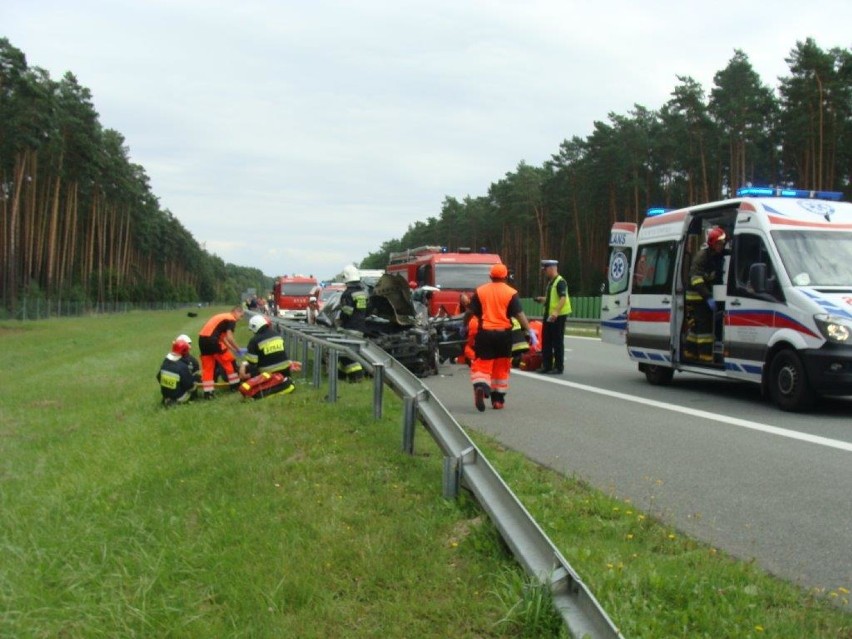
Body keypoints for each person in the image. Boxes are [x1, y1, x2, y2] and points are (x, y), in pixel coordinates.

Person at [464, 263, 537, 411]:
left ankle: (481, 387)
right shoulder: (510, 292)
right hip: (504, 334)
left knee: (482, 365)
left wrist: (464, 325)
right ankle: (498, 400)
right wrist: (529, 331)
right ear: (505, 277)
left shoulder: (480, 291)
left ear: (490, 276)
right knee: (501, 367)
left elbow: (469, 312)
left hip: (485, 333)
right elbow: (519, 314)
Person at [685, 226, 726, 363]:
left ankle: (690, 353)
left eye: (723, 243)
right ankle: (705, 356)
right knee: (705, 329)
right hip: (697, 298)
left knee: (696, 329)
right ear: (713, 243)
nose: (722, 245)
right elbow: (696, 280)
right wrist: (708, 297)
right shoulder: (701, 256)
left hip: (703, 297)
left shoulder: (714, 255)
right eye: (719, 243)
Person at [534, 259, 572, 375]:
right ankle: (547, 365)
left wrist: (556, 312)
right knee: (546, 341)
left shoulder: (560, 282)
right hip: (549, 316)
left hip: (558, 316)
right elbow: (552, 299)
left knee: (557, 341)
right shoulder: (551, 282)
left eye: (545, 269)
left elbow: (563, 298)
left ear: (551, 268)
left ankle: (558, 367)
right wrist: (542, 299)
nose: (545, 272)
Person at [198, 306, 244, 398]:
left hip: (202, 340)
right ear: (236, 312)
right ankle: (235, 386)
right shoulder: (231, 319)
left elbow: (223, 338)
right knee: (230, 361)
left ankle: (208, 393)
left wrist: (232, 348)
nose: (240, 319)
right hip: (213, 341)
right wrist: (238, 349)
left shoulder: (223, 318)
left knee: (208, 367)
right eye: (241, 316)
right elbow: (229, 338)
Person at [336, 264, 368, 380]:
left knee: (346, 354)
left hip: (349, 328)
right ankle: (342, 376)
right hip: (361, 327)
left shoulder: (347, 294)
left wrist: (340, 322)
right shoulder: (363, 293)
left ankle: (357, 375)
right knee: (348, 353)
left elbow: (347, 312)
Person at [239, 314, 293, 380]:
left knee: (245, 367)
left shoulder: (254, 340)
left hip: (267, 374)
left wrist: (244, 365)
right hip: (285, 372)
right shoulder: (277, 335)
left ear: (255, 327)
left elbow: (252, 363)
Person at [156, 339, 196, 406]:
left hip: (165, 396)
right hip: (178, 397)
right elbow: (189, 386)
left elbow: (158, 377)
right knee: (194, 385)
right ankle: (189, 400)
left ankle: (168, 400)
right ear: (184, 352)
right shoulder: (182, 366)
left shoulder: (165, 362)